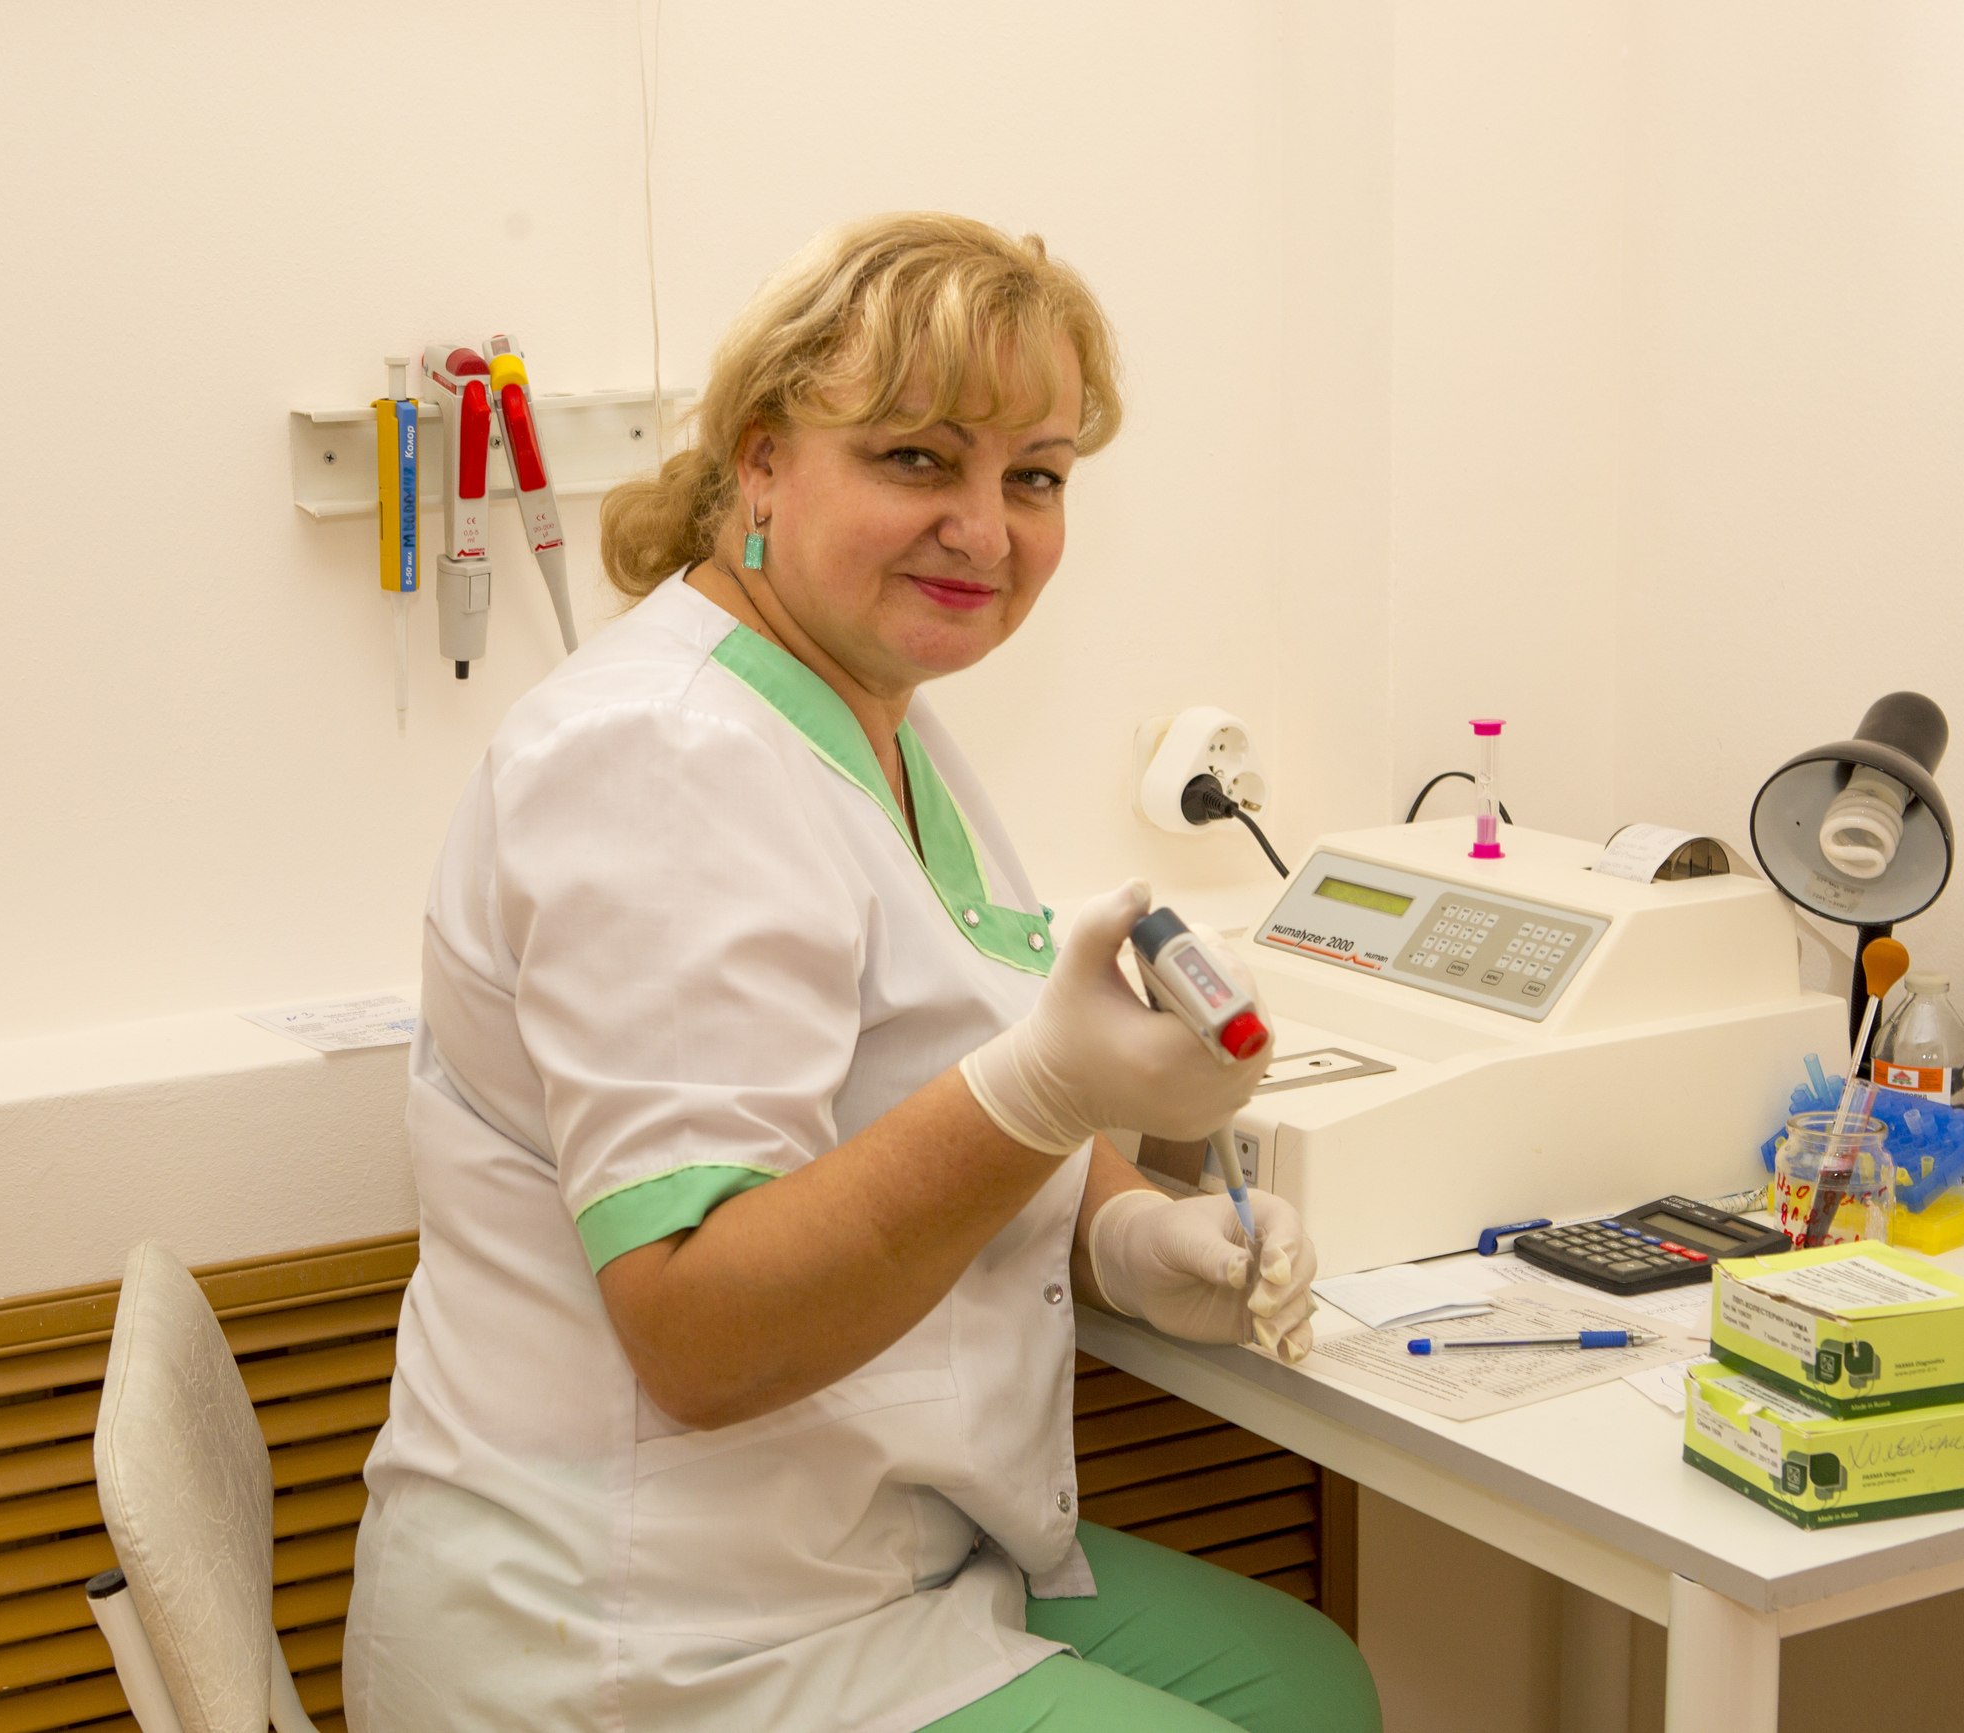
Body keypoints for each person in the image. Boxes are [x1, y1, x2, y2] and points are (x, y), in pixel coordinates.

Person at [344, 213, 1381, 1733]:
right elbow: (699, 1331)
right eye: (917, 459)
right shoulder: (661, 756)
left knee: (1309, 1686)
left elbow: (915, 1067)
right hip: (645, 1633)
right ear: (761, 463)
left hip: (849, 1549)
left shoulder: (866, 703)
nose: (987, 530)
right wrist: (1045, 1094)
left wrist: (1126, 1230)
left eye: (1034, 476)